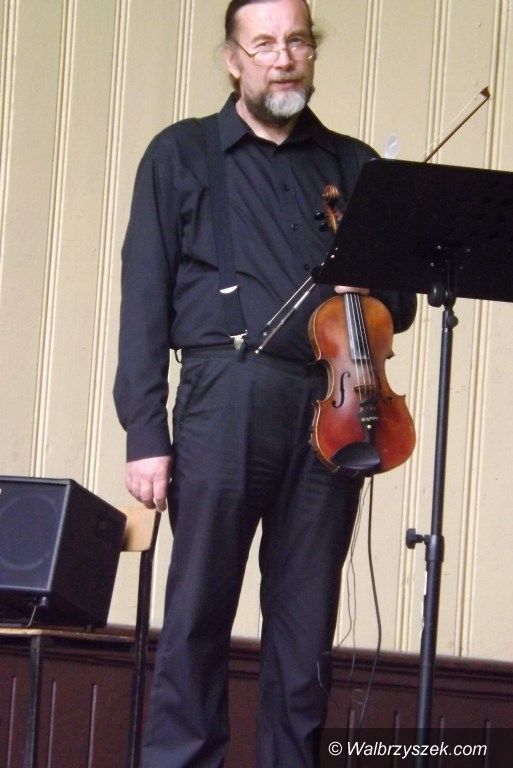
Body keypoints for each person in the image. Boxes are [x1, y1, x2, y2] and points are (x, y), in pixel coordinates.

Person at [114, 0, 416, 766]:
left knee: (305, 626)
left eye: (296, 42)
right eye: (264, 44)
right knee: (197, 612)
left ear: (312, 52)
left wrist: (375, 272)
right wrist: (145, 432)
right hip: (224, 397)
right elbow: (143, 297)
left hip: (333, 405)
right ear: (233, 58)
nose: (282, 58)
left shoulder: (353, 165)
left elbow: (402, 306)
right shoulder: (180, 154)